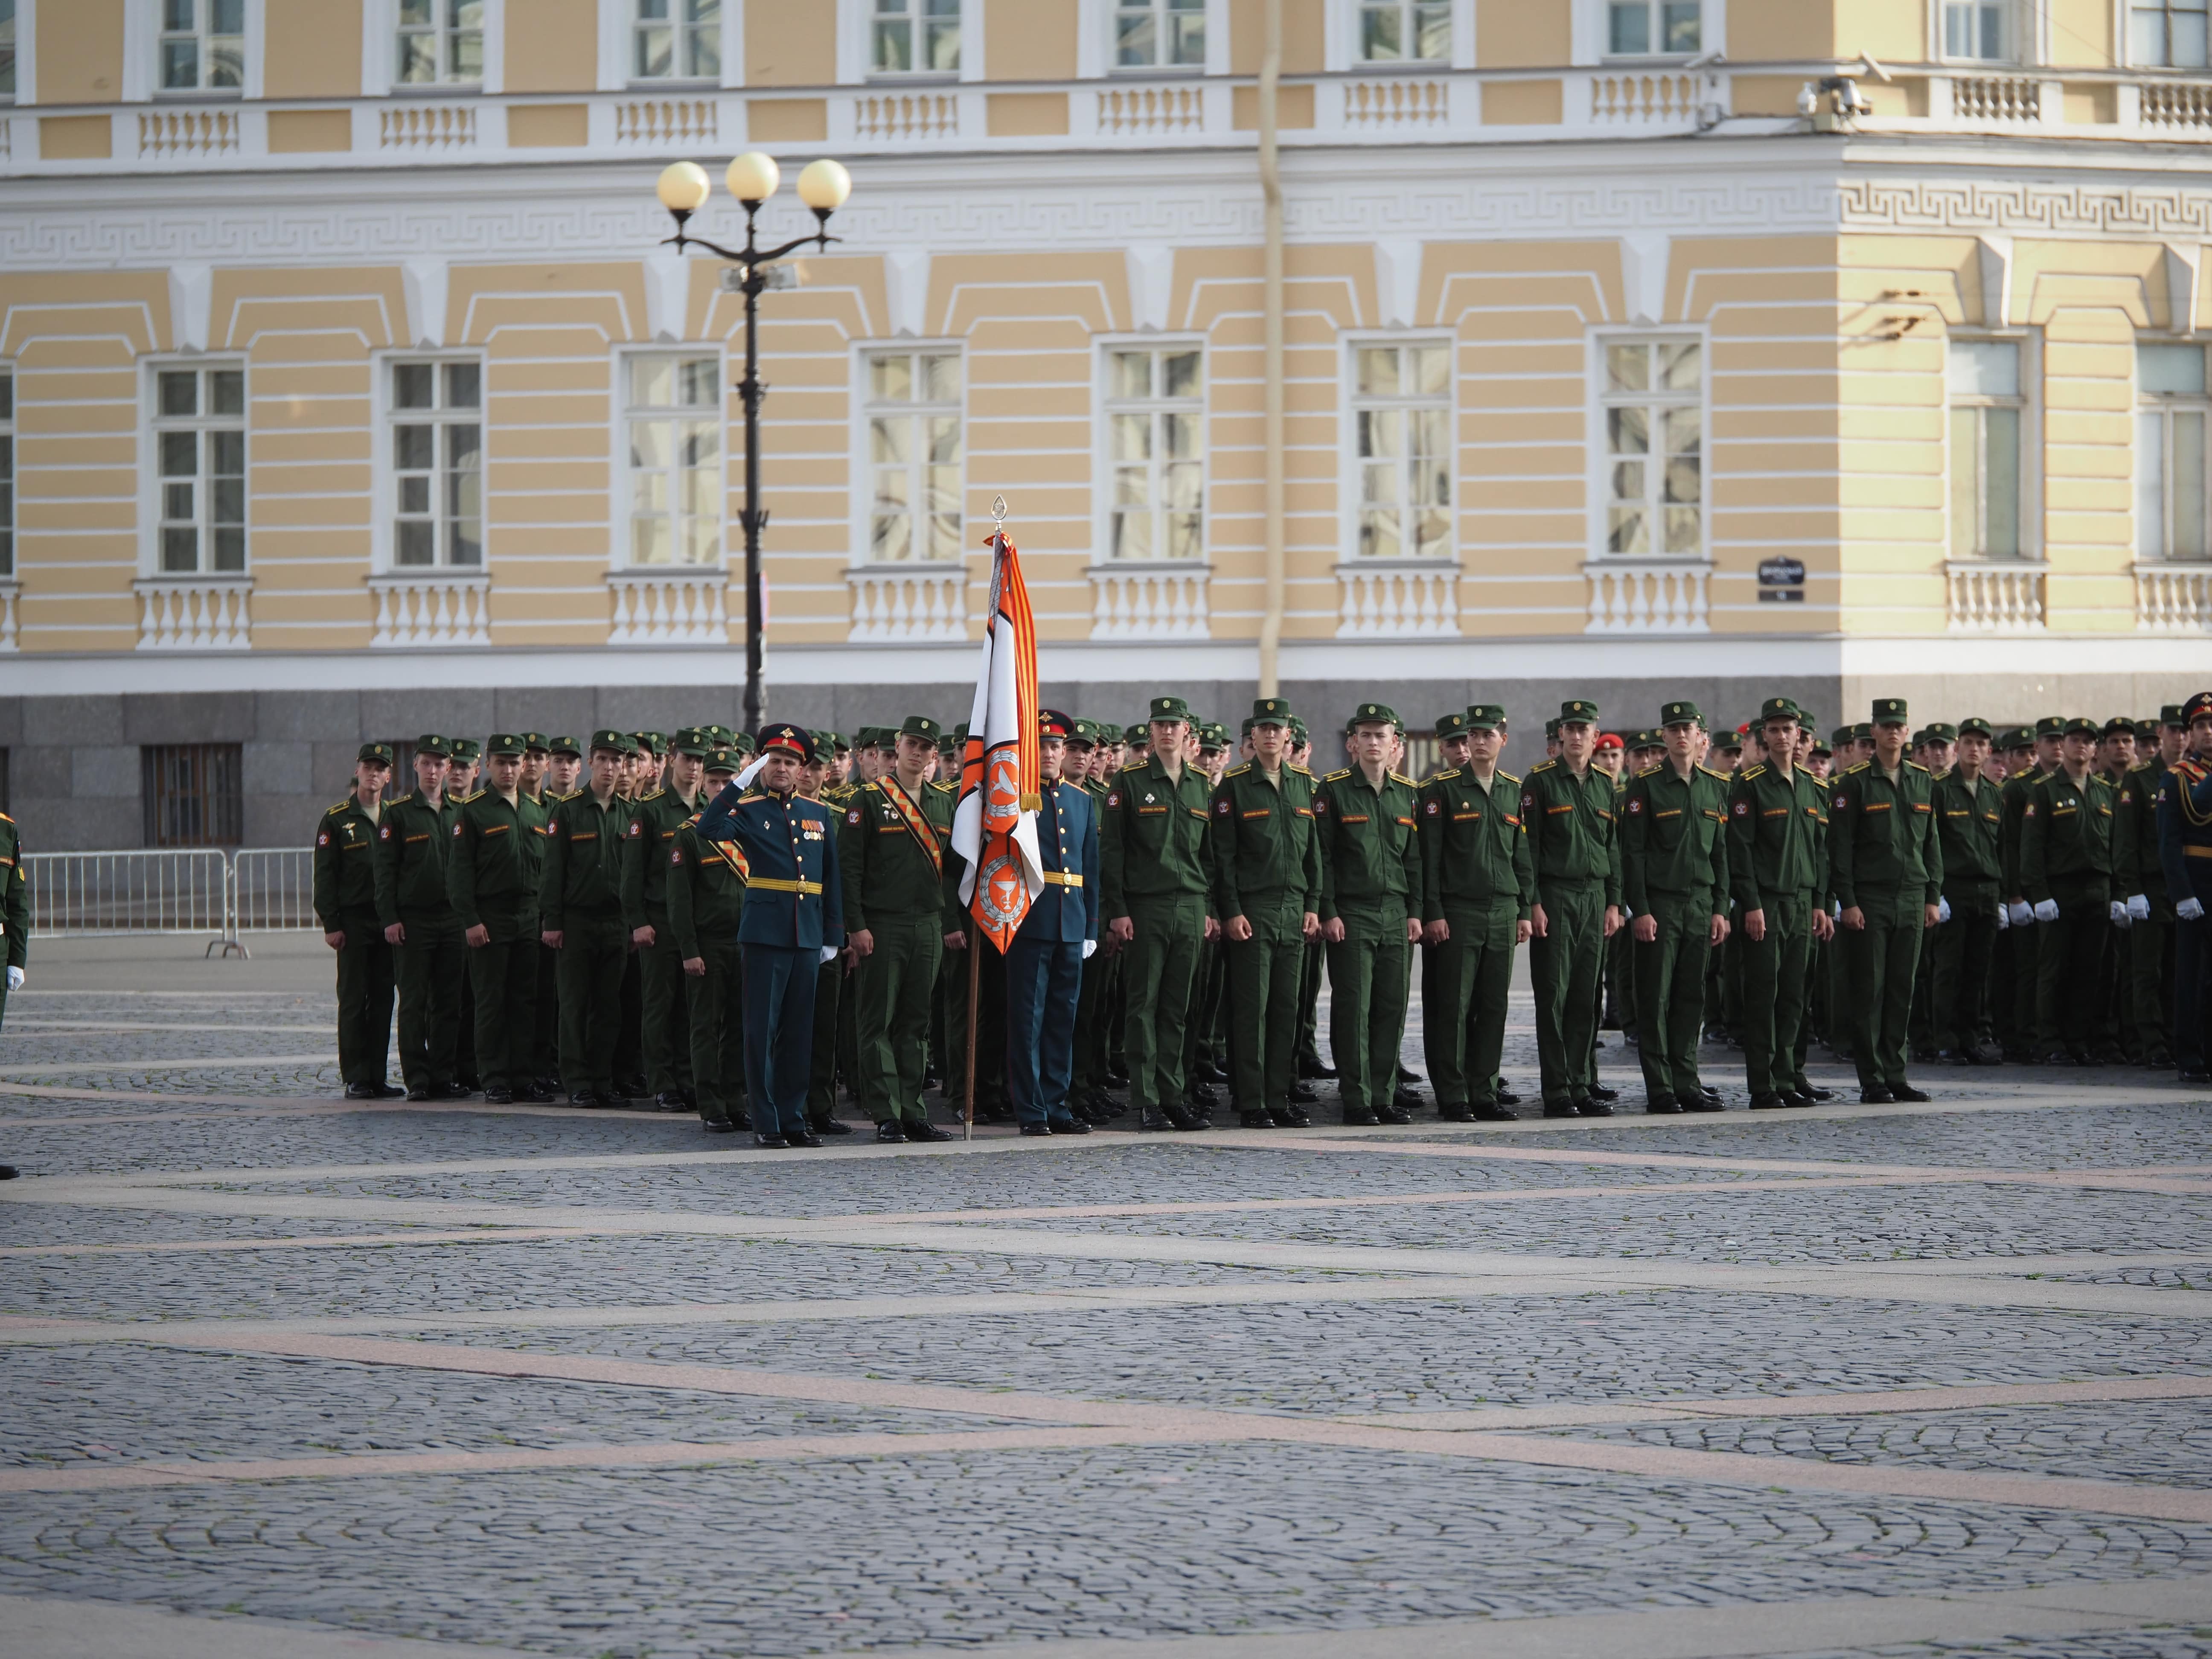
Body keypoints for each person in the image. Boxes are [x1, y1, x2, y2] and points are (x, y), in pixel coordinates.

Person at [694, 723, 846, 1149]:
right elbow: (708, 828)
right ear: (762, 765)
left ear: (802, 770)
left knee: (799, 1031)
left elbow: (831, 878)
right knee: (761, 1031)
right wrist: (739, 783)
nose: (782, 768)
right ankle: (766, 1121)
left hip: (807, 934)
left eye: (790, 762)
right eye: (774, 761)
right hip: (765, 934)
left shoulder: (819, 814)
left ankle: (792, 1118)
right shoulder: (748, 809)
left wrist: (832, 933)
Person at [1100, 695, 1217, 1133]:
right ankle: (1147, 1098)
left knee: (1177, 1008)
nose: (1168, 731)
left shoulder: (1199, 784)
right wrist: (1118, 910)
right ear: (1150, 732)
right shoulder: (1129, 781)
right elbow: (1112, 851)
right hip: (1145, 907)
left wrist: (1209, 907)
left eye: (1175, 724)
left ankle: (1174, 1095)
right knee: (1143, 1006)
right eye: (1160, 724)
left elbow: (1210, 855)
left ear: (1188, 732)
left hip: (1190, 906)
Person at [841, 714, 957, 1143]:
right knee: (878, 1023)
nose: (918, 752)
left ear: (933, 756)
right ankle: (885, 1112)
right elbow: (850, 869)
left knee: (916, 1023)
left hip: (927, 924)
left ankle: (913, 1110)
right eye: (911, 744)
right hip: (882, 924)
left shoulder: (943, 804)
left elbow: (955, 870)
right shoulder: (868, 800)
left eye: (927, 747)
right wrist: (856, 926)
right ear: (898, 746)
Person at [1211, 696, 1322, 1129]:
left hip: (1294, 910)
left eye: (1278, 728)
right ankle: (1252, 1098)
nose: (1271, 735)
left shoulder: (1304, 786)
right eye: (1264, 729)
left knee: (1285, 1009)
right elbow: (1223, 855)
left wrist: (1313, 905)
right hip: (1252, 911)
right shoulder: (1235, 786)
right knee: (1250, 1009)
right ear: (1252, 737)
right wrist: (1232, 910)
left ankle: (1278, 1095)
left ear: (1288, 735)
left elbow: (1314, 855)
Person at [1419, 703, 1533, 1123]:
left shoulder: (1511, 790)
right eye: (1475, 735)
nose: (1481, 742)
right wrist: (1433, 911)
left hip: (1502, 909)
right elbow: (1428, 858)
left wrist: (1523, 908)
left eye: (1489, 735)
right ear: (1466, 741)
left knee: (1493, 1005)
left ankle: (1484, 1089)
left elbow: (1521, 855)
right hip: (1458, 910)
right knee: (1452, 1005)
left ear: (1503, 739)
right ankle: (1453, 1094)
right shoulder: (1441, 790)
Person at [1313, 704, 1422, 1126]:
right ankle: (1356, 1097)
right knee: (1354, 1008)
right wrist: (1329, 911)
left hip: (1395, 913)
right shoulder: (1334, 790)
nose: (1374, 743)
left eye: (1382, 736)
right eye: (1366, 735)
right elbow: (1322, 856)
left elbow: (1414, 859)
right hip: (1352, 914)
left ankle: (1383, 1092)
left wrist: (1416, 912)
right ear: (1352, 743)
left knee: (1390, 1008)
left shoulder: (1406, 793)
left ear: (1395, 743)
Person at [1830, 699, 1942, 1104]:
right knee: (1870, 989)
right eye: (1886, 725)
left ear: (1908, 732)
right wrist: (1848, 901)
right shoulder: (1854, 783)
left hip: (1912, 896)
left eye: (1900, 725)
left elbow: (1932, 845)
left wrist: (1932, 895)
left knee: (1902, 989)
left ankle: (1896, 1073)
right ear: (1873, 732)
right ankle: (1872, 1078)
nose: (1894, 732)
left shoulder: (1921, 780)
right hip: (1871, 898)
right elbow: (1841, 848)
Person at [1621, 701, 1730, 1114]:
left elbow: (1721, 854)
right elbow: (1633, 853)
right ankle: (1660, 1086)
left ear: (1700, 735)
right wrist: (1641, 909)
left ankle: (1687, 1081)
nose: (1681, 735)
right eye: (1673, 729)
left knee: (1690, 997)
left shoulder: (1714, 786)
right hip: (1661, 906)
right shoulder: (1646, 785)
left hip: (1701, 905)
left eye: (1688, 728)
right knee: (1655, 997)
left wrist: (1721, 907)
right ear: (1664, 737)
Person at [1728, 697, 1834, 1109]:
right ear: (1764, 737)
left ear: (1799, 736)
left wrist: (1821, 904)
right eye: (1773, 730)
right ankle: (1763, 1085)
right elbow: (1740, 849)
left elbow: (1821, 852)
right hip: (1767, 905)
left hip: (1804, 902)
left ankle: (1788, 1076)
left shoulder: (1813, 786)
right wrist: (1751, 904)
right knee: (1764, 994)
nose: (1781, 736)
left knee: (1795, 995)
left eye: (1788, 729)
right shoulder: (1750, 784)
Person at [1522, 699, 1624, 1117]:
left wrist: (1615, 902)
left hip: (1595, 897)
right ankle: (1558, 1090)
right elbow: (1527, 849)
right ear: (1561, 735)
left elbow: (1612, 847)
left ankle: (1582, 1083)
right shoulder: (1540, 782)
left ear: (1595, 735)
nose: (1578, 736)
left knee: (1587, 996)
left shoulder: (1604, 783)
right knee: (1555, 996)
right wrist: (1534, 903)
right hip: (1557, 897)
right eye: (1571, 729)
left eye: (1586, 729)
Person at [1005, 710, 1101, 1136]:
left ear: (1065, 753)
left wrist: (1091, 927)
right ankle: (1031, 1109)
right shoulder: (1020, 797)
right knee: (1029, 1019)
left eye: (1056, 747)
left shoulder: (1082, 801)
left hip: (1072, 921)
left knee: (1064, 1017)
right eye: (1042, 745)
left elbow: (1092, 870)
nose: (1049, 753)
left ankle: (1057, 1104)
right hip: (1029, 920)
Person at [445, 734, 547, 1106]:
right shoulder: (473, 810)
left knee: (524, 1001)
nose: (508, 770)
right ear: (487, 765)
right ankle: (494, 1078)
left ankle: (522, 1076)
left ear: (524, 766)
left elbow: (546, 871)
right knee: (491, 1002)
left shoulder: (537, 811)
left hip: (528, 917)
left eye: (514, 763)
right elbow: (459, 873)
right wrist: (470, 919)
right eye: (501, 763)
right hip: (490, 918)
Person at [542, 730, 637, 1108]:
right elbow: (553, 871)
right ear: (591, 763)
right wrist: (552, 921)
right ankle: (577, 1080)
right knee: (574, 1005)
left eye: (618, 761)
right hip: (577, 922)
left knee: (608, 1006)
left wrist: (634, 922)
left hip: (615, 922)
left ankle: (602, 1078)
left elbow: (636, 875)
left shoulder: (631, 813)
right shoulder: (567, 811)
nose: (611, 768)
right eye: (604, 760)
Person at [373, 734, 468, 1102]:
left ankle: (442, 1075)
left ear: (449, 769)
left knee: (448, 1002)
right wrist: (390, 919)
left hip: (452, 920)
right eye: (426, 764)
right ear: (415, 766)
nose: (433, 771)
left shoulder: (460, 811)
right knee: (413, 1002)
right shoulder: (397, 814)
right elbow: (385, 872)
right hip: (413, 921)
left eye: (439, 764)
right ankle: (418, 1078)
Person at [2020, 716, 2119, 1065]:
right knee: (2054, 969)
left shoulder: (2105, 790)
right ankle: (2051, 1040)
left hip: (2099, 887)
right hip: (2060, 889)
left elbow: (2117, 848)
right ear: (2064, 745)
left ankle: (2078, 1040)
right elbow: (2032, 849)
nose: (2081, 746)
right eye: (2074, 740)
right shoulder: (2045, 790)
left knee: (2089, 970)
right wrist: (2039, 893)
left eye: (2088, 741)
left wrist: (2119, 895)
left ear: (2096, 749)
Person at [623, 727, 709, 1112]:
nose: (693, 767)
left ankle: (688, 1078)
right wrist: (638, 920)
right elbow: (632, 875)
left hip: (696, 924)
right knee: (660, 1004)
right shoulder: (652, 808)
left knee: (692, 1007)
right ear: (672, 759)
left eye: (699, 760)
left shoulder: (711, 808)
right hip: (659, 922)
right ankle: (662, 1081)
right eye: (687, 758)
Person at [668, 746, 750, 1133]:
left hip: (745, 943)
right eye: (714, 782)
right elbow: (680, 900)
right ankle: (711, 1105)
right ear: (702, 783)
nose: (720, 789)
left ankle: (735, 1100)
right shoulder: (690, 833)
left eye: (727, 782)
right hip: (708, 945)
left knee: (738, 1027)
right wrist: (689, 950)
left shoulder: (750, 828)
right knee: (706, 1027)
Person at [315, 741, 399, 1100]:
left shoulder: (395, 816)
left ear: (389, 776)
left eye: (381, 768)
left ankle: (377, 1076)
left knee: (383, 1000)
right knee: (353, 1000)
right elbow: (325, 875)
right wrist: (331, 923)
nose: (374, 773)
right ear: (357, 770)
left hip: (387, 921)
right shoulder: (336, 819)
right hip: (352, 921)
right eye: (368, 767)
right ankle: (355, 1076)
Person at [1930, 716, 2004, 1064]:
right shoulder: (1941, 789)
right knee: (1949, 969)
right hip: (1954, 890)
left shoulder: (1993, 794)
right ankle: (1944, 1038)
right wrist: (1937, 893)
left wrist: (2003, 896)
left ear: (1989, 751)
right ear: (1957, 748)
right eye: (1969, 743)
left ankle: (1969, 1038)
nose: (1975, 750)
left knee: (1978, 969)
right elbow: (1931, 845)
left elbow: (2003, 848)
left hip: (1987, 890)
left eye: (1981, 744)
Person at [2116, 705, 2186, 1069]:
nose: (2180, 736)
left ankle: (2179, 1038)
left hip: (2184, 887)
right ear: (2162, 733)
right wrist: (2132, 888)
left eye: (2184, 730)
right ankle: (2151, 1042)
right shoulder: (2140, 779)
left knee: (2182, 969)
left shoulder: (2193, 775)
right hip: (2150, 886)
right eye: (2173, 730)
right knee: (2147, 971)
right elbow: (2126, 840)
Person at [2157, 691, 2212, 1084]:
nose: (2209, 732)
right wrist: (2182, 893)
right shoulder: (2176, 778)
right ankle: (2190, 1053)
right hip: (2197, 880)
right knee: (2191, 973)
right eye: (2202, 726)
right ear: (2189, 734)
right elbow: (2169, 840)